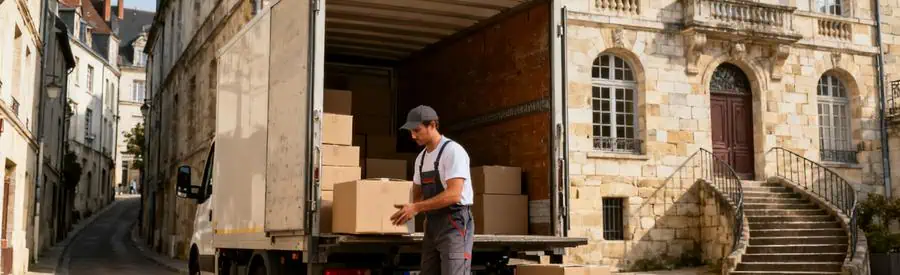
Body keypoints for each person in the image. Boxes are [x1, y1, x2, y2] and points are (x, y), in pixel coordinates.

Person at [391, 105, 474, 275]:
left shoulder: (453, 151)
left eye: (417, 130)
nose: (413, 136)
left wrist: (416, 208)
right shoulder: (420, 159)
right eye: (411, 131)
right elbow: (416, 193)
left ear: (433, 125)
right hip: (432, 225)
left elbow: (454, 194)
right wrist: (407, 209)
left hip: (454, 223)